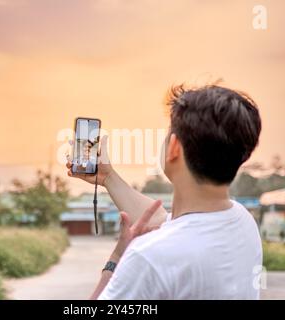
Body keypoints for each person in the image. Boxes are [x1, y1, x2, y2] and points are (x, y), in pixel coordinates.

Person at [66, 84, 263, 299]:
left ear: (174, 147)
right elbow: (166, 222)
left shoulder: (148, 259)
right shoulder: (243, 222)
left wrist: (118, 255)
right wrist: (108, 177)